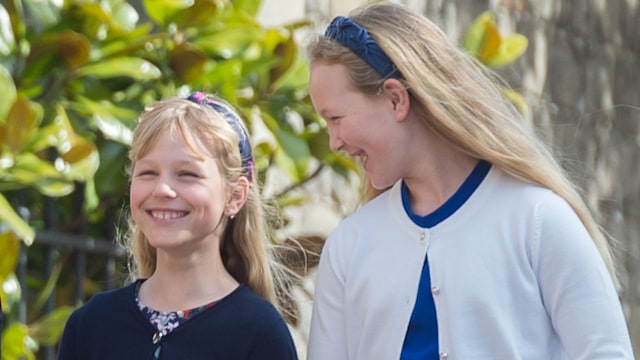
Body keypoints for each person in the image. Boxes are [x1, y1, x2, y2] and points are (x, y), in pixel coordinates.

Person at [306, 2, 634, 359]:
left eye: (335, 117)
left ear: (396, 99)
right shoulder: (348, 248)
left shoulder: (538, 222)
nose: (334, 141)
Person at [58, 92, 299, 359]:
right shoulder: (90, 325)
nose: (162, 189)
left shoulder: (259, 333)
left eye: (187, 174)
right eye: (148, 172)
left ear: (235, 196)